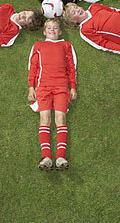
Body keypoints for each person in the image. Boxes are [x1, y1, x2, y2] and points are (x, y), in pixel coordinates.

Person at [27, 19, 77, 171]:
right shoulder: (38, 46)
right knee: (45, 118)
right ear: (44, 32)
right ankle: (46, 156)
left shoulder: (66, 45)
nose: (52, 30)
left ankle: (61, 156)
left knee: (60, 118)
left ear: (60, 31)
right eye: (49, 28)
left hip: (62, 87)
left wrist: (73, 87)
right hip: (43, 87)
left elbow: (72, 67)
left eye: (55, 28)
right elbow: (33, 67)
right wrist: (31, 88)